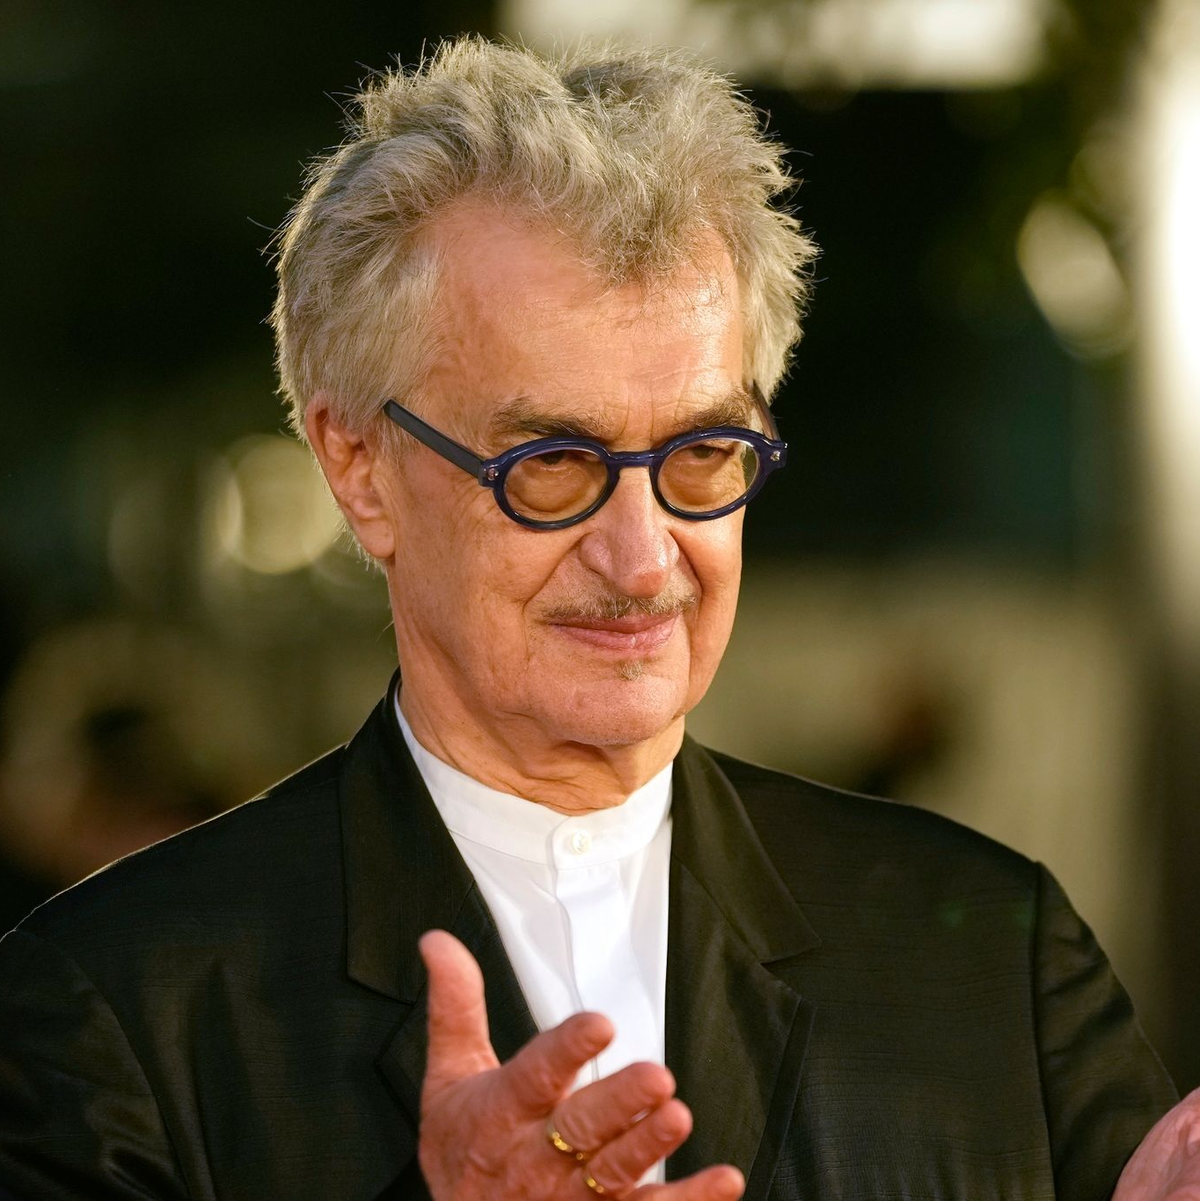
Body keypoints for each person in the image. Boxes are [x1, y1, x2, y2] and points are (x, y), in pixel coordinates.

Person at [0, 36, 1194, 1201]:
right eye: (553, 464)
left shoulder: (993, 951)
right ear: (359, 468)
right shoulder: (113, 1010)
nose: (640, 556)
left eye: (704, 452)